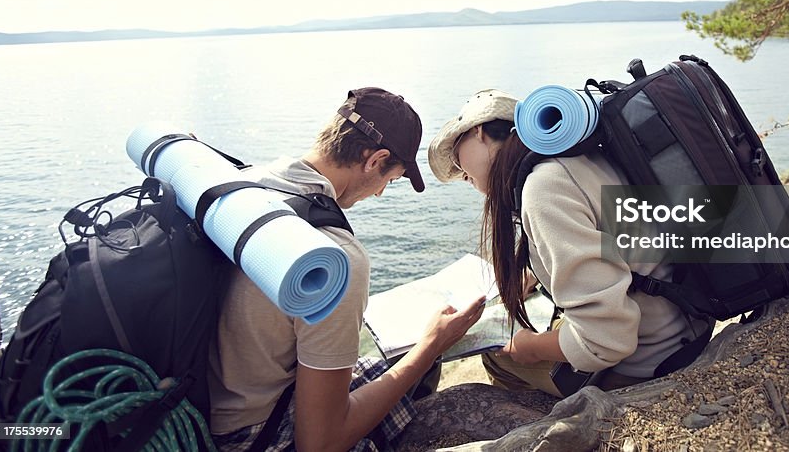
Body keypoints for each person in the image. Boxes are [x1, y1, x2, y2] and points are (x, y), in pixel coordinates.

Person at [208, 87, 485, 452]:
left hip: (198, 406)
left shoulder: (243, 183)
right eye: (391, 179)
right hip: (249, 435)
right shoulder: (333, 258)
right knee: (417, 363)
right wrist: (432, 345)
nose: (381, 192)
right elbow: (320, 444)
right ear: (375, 160)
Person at [427, 89, 713, 398]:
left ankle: (538, 420)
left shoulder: (543, 189)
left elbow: (606, 342)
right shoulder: (575, 159)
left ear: (478, 132)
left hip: (652, 360)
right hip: (688, 322)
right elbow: (614, 235)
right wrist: (537, 273)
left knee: (498, 355)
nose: (459, 172)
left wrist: (532, 347)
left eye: (457, 154)